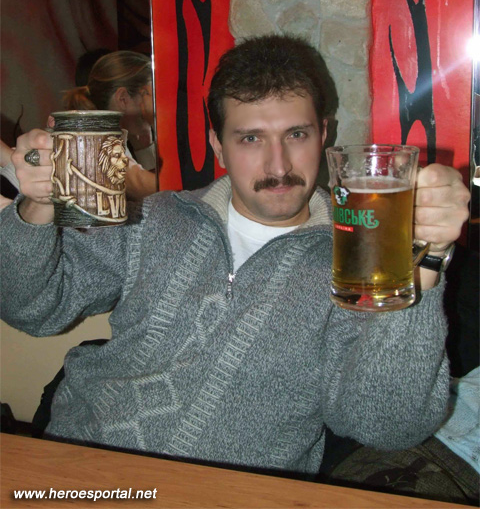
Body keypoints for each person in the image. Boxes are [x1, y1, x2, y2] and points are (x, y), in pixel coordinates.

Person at [1, 35, 470, 478]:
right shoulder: (157, 217)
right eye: (250, 138)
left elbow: (386, 426)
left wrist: (426, 264)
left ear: (324, 135)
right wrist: (36, 206)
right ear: (217, 145)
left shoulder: (360, 260)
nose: (278, 166)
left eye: (296, 134)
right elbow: (31, 308)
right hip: (75, 467)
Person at [64, 50, 159, 199]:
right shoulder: (94, 139)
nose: (157, 104)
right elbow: (161, 193)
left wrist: (145, 146)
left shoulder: (115, 137)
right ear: (123, 99)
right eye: (151, 94)